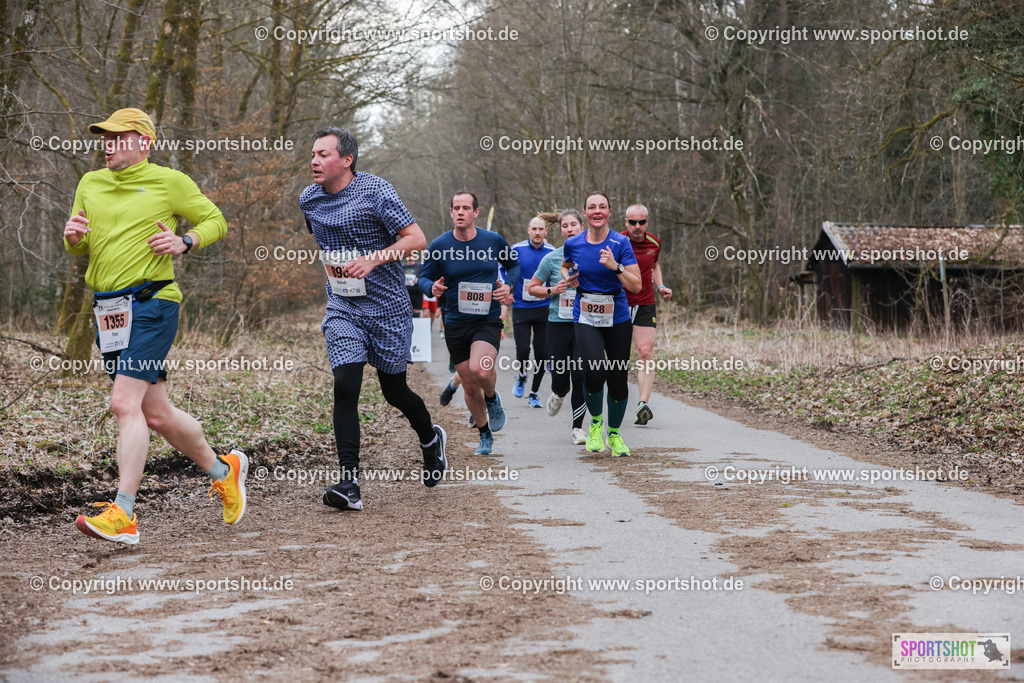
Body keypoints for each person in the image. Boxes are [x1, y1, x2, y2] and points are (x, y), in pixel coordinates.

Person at [64, 108, 246, 544]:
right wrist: (73, 238)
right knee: (156, 414)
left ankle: (123, 514)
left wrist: (185, 240)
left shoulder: (170, 181)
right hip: (108, 310)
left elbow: (215, 221)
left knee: (124, 405)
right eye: (104, 138)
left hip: (152, 304)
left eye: (118, 138)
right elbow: (84, 243)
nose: (108, 145)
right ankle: (225, 470)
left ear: (143, 142)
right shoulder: (90, 183)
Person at [300, 126, 447, 511]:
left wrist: (373, 259)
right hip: (343, 308)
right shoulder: (309, 199)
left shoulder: (375, 190)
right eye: (312, 154)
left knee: (394, 391)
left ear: (346, 160)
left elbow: (417, 239)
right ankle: (349, 483)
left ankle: (431, 440)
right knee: (345, 386)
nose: (314, 161)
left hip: (387, 308)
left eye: (323, 155)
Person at [420, 191, 519, 455]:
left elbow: (514, 265)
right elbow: (424, 277)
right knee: (470, 383)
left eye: (466, 207)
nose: (460, 212)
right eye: (456, 208)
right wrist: (433, 287)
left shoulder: (493, 240)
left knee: (482, 370)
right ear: (451, 212)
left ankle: (493, 399)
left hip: (487, 319)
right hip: (455, 322)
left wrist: (508, 286)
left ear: (476, 212)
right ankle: (485, 434)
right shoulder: (440, 245)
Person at [563, 193, 641, 456]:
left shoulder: (621, 243)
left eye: (602, 207)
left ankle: (615, 435)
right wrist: (570, 277)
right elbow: (565, 267)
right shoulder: (573, 243)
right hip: (585, 313)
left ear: (609, 212)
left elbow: (637, 285)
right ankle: (596, 424)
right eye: (592, 207)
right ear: (585, 213)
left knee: (618, 376)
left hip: (617, 315)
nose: (597, 211)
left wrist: (615, 266)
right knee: (595, 371)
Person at [527, 209, 587, 444]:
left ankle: (577, 428)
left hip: (585, 323)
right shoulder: (552, 257)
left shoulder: (594, 254)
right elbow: (533, 287)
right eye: (565, 225)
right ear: (560, 230)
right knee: (561, 378)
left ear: (582, 227)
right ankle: (559, 392)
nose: (570, 229)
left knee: (581, 375)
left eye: (574, 224)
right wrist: (553, 290)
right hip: (557, 323)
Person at [621, 204, 673, 424]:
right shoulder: (617, 241)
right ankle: (614, 399)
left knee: (645, 353)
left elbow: (654, 266)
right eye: (633, 222)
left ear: (647, 222)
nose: (637, 226)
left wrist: (660, 286)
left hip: (645, 303)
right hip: (619, 303)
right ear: (626, 222)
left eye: (641, 222)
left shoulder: (654, 242)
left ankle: (643, 403)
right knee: (617, 356)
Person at [510, 217, 555, 407]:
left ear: (546, 231)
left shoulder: (552, 252)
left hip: (543, 307)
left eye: (541, 229)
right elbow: (503, 269)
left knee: (542, 353)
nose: (537, 232)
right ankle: (522, 374)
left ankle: (534, 393)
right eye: (534, 229)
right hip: (521, 306)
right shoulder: (516, 249)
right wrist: (507, 288)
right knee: (522, 350)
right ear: (528, 230)